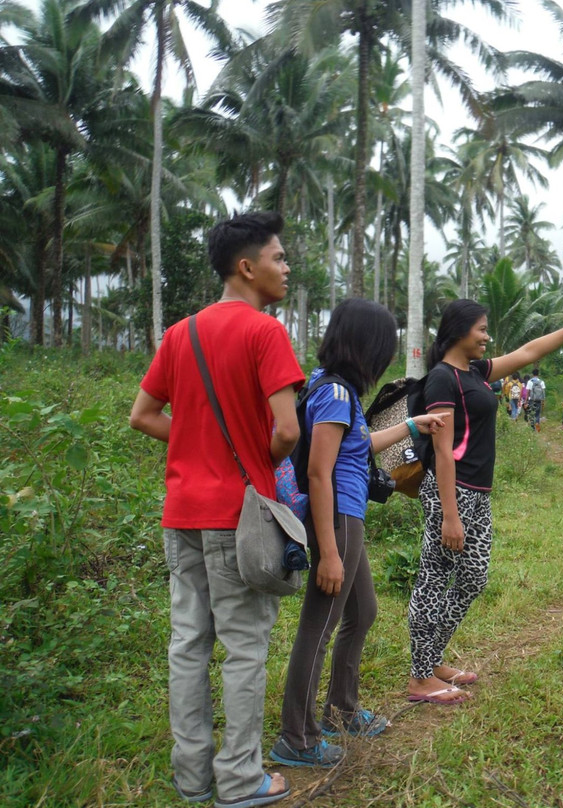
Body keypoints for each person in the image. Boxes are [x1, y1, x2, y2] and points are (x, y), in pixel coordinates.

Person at [130, 212, 303, 808]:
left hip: (181, 512)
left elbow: (143, 415)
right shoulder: (264, 332)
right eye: (279, 258)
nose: (286, 267)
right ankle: (239, 778)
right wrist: (258, 455)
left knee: (189, 644)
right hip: (239, 515)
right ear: (247, 267)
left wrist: (192, 444)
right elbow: (287, 429)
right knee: (245, 645)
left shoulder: (180, 334)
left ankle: (192, 777)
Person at [406, 301, 563, 704]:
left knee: (473, 578)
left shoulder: (475, 372)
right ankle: (419, 677)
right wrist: (450, 514)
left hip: (478, 495)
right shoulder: (441, 380)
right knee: (433, 580)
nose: (487, 337)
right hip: (453, 493)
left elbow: (528, 353)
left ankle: (432, 661)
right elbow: (444, 451)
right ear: (459, 331)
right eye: (481, 329)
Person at [271, 299, 445, 768]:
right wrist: (328, 551)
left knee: (362, 610)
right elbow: (318, 473)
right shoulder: (336, 394)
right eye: (384, 346)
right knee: (319, 626)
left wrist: (410, 425)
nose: (386, 357)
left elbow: (356, 444)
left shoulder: (334, 389)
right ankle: (297, 737)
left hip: (348, 520)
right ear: (365, 345)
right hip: (340, 522)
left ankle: (341, 711)